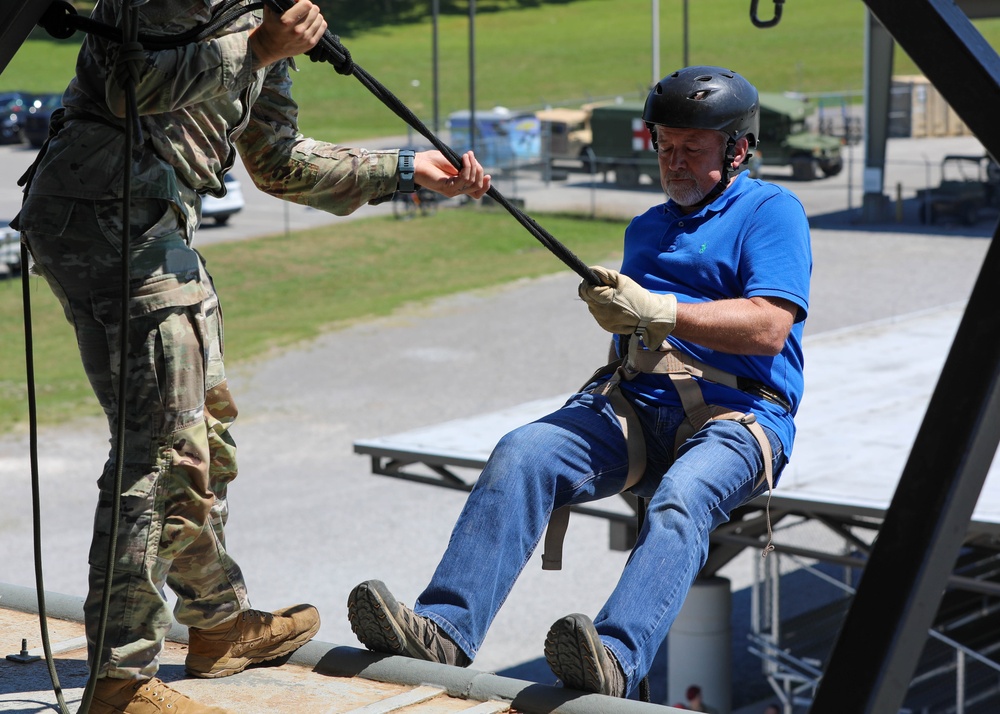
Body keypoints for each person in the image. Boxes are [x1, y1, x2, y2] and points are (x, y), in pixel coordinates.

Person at [13, 1, 489, 712]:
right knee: (164, 453)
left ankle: (218, 622)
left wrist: (404, 170)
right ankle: (121, 680)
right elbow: (127, 85)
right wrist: (258, 49)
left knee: (201, 435)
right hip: (112, 222)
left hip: (150, 229)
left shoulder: (276, 22)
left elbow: (279, 165)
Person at [347, 65, 809, 698]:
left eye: (691, 149)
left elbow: (769, 329)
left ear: (738, 149)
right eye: (664, 146)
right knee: (524, 451)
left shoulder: (772, 212)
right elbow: (638, 340)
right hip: (636, 407)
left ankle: (616, 658)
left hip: (741, 418)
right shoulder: (647, 227)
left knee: (683, 495)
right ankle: (445, 631)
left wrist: (661, 311)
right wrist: (620, 314)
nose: (673, 161)